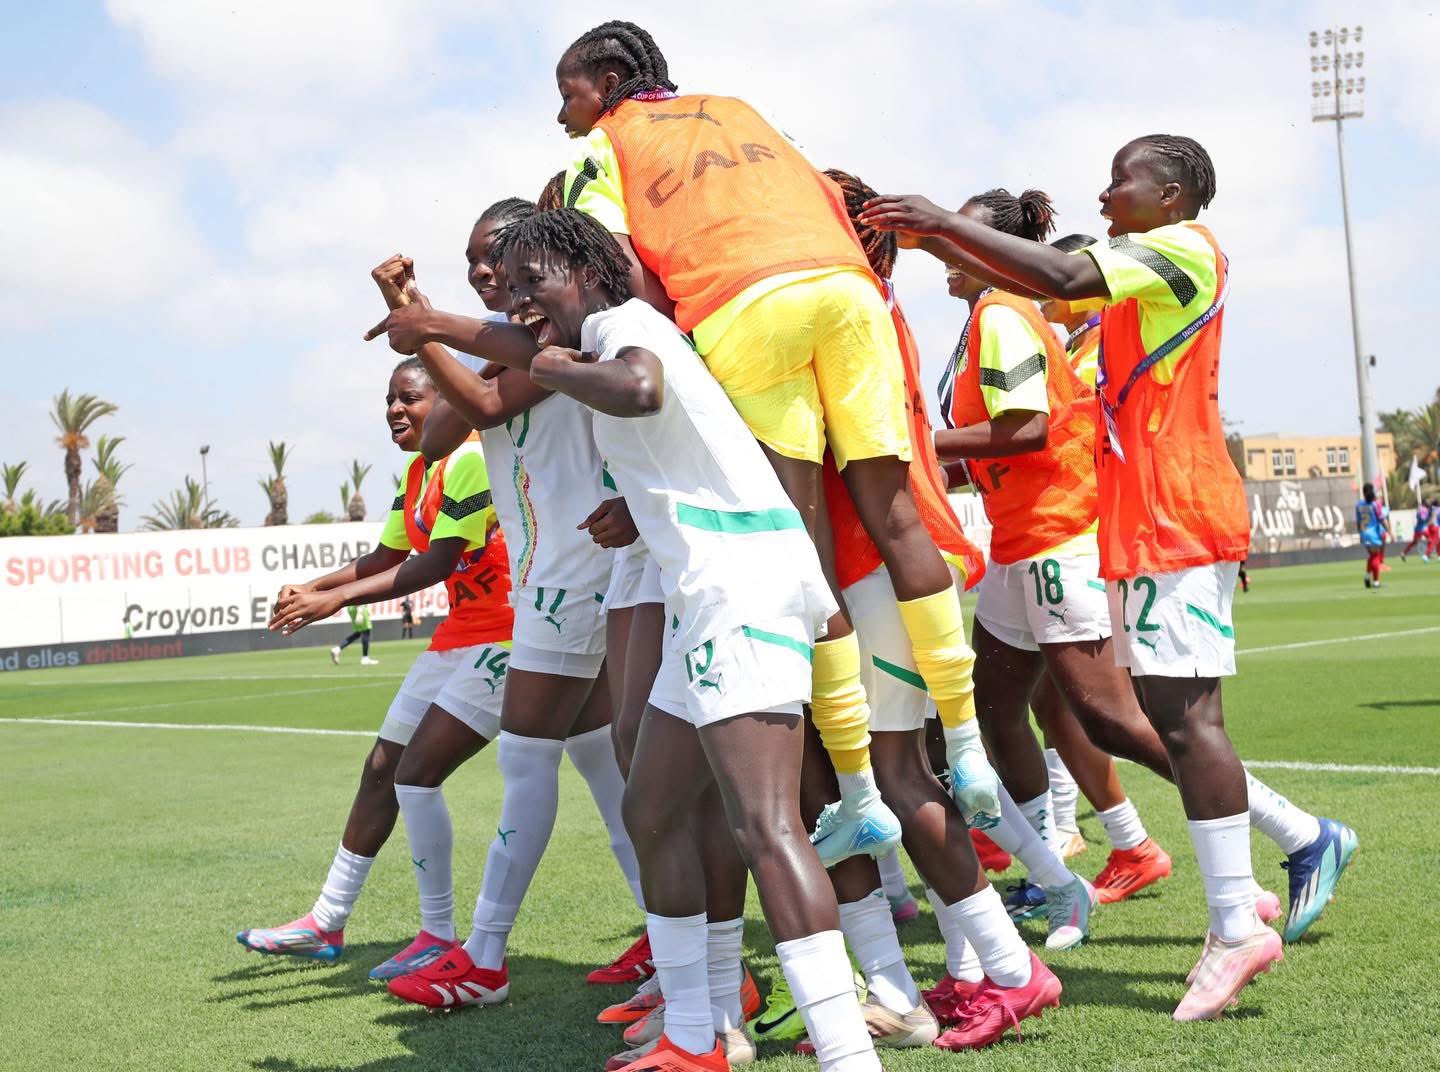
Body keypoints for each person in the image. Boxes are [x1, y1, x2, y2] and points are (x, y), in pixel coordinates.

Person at [861, 134, 1359, 1021]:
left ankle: (1243, 904)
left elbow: (1052, 283)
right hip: (1137, 522)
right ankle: (1191, 884)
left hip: (1170, 513)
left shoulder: (1183, 249)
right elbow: (1041, 284)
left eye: (1121, 180)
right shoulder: (1132, 270)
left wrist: (939, 222)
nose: (1103, 193)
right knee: (1139, 712)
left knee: (1172, 717)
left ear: (1171, 195)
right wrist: (921, 234)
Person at [550, 20, 1001, 855]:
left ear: (608, 79)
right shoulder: (742, 107)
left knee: (803, 544)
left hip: (745, 306)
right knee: (896, 515)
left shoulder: (605, 145)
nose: (563, 115)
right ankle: (969, 748)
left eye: (568, 94)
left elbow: (615, 278)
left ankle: (859, 791)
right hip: (849, 290)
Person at [494, 207, 885, 1072]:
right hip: (706, 594)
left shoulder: (622, 326)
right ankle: (693, 1037)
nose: (521, 300)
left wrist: (553, 363)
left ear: (591, 271)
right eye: (510, 284)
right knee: (652, 808)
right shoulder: (612, 331)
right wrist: (637, 508)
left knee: (765, 824)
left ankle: (849, 1053)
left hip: (735, 590)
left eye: (535, 280)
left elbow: (642, 389)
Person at [363, 199, 649, 1009]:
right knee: (607, 767)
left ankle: (482, 957)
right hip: (553, 575)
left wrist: (422, 324)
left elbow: (485, 407)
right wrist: (424, 326)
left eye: (501, 258)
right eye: (475, 261)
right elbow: (438, 432)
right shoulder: (501, 347)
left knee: (528, 758)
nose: (487, 273)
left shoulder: (555, 338)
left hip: (574, 570)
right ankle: (668, 935)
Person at [926, 188, 1166, 929]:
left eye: (963, 239)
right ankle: (1053, 874)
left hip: (1059, 536)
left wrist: (916, 450)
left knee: (1106, 719)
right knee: (995, 707)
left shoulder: (1002, 314)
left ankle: (1290, 826)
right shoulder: (981, 321)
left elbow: (1027, 431)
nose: (946, 257)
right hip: (1015, 542)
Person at [238, 357, 515, 979]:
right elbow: (388, 554)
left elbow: (435, 564)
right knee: (382, 770)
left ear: (445, 400)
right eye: (388, 399)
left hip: (508, 638)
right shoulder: (420, 472)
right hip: (456, 639)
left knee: (417, 774)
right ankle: (326, 922)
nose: (395, 410)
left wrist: (332, 601)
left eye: (409, 398)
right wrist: (316, 586)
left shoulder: (470, 457)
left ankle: (440, 935)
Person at [1356, 482, 1390, 589]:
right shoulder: (1375, 504)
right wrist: (1389, 530)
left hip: (1364, 532)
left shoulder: (1358, 505)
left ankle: (1367, 576)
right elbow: (1381, 519)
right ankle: (1376, 582)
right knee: (1376, 556)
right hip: (1373, 534)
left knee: (1372, 556)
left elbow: (1358, 521)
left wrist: (1360, 534)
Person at [1400, 497, 1432, 562]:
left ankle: (1404, 553)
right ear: (1425, 503)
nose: (1429, 503)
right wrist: (1428, 517)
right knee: (1431, 540)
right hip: (1422, 529)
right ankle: (1427, 555)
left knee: (1414, 542)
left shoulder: (1421, 509)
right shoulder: (1424, 509)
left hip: (1418, 529)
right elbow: (1422, 518)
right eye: (1428, 502)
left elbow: (1419, 517)